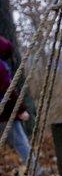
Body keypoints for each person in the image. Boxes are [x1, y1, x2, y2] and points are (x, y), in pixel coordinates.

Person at [0, 36, 33, 166]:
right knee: (20, 140)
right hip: (6, 110)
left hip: (5, 109)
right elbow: (8, 91)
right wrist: (21, 110)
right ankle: (35, 170)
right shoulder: (1, 68)